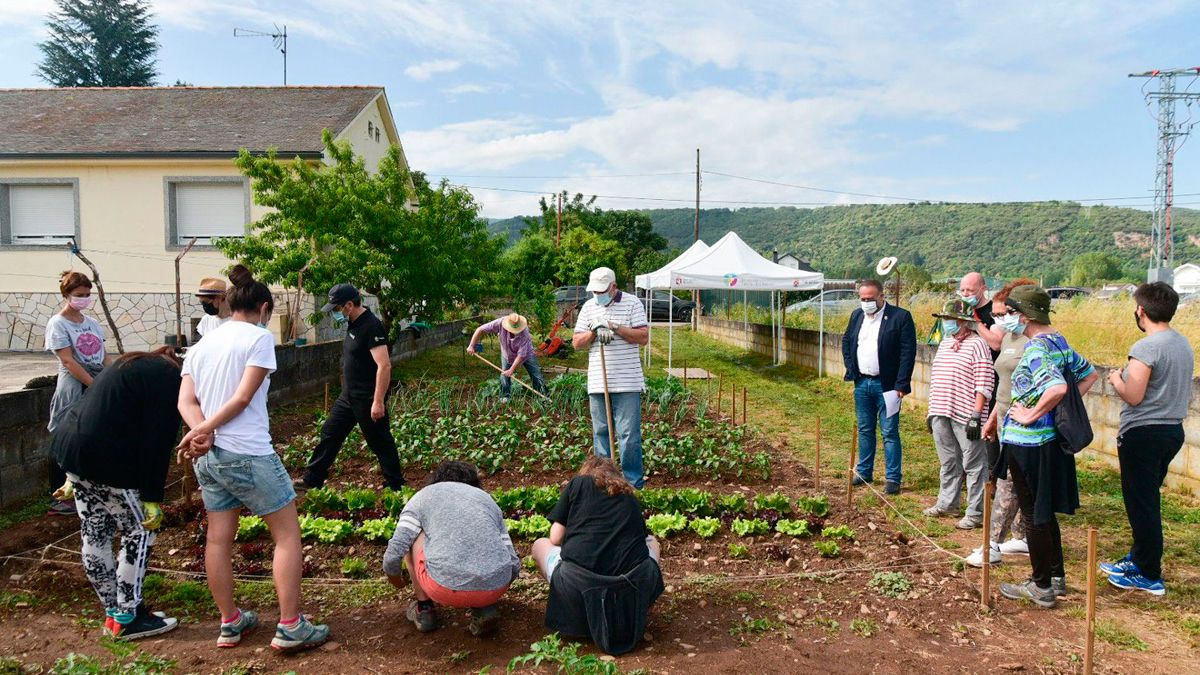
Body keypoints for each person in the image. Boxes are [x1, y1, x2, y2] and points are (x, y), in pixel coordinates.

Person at [177, 264, 330, 652]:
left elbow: (186, 400)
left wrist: (200, 431)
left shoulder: (201, 345)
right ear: (263, 308)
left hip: (209, 458)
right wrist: (205, 430)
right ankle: (291, 626)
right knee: (287, 534)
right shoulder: (258, 339)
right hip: (248, 452)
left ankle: (230, 622)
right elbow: (243, 397)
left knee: (217, 541)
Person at [50, 347, 183, 640]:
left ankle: (114, 613)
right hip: (105, 459)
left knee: (95, 530)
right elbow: (156, 442)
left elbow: (94, 409)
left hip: (71, 448)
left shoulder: (132, 364)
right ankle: (129, 616)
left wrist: (75, 473)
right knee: (140, 531)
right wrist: (151, 497)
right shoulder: (171, 379)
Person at [997, 285, 1098, 609]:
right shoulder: (1059, 342)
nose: (1007, 319)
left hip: (1028, 444)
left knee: (1033, 515)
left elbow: (1056, 387)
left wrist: (1033, 412)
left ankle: (1040, 586)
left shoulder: (1036, 349)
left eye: (1010, 313)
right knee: (1043, 511)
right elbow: (1089, 374)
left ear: (1024, 316)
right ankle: (1056, 576)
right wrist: (1059, 412)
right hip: (1048, 443)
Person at [1101, 282, 1194, 596]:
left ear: (1141, 310)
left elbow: (1135, 395)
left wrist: (1116, 379)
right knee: (1146, 500)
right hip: (1171, 431)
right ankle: (1139, 559)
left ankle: (1149, 573)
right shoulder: (1182, 344)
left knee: (1142, 505)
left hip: (1142, 433)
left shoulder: (1147, 347)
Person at [531, 456, 663, 656]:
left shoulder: (578, 484)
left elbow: (555, 537)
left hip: (577, 585)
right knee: (652, 542)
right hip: (632, 584)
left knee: (540, 545)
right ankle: (633, 608)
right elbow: (640, 538)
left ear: (586, 472)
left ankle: (576, 613)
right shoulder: (629, 494)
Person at [383, 461, 520, 637]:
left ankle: (424, 610)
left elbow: (395, 550)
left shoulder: (422, 497)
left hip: (443, 587)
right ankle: (484, 607)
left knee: (414, 535)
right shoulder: (486, 500)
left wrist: (396, 580)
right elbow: (513, 560)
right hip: (497, 587)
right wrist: (495, 584)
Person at [295, 283, 405, 492]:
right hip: (348, 396)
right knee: (330, 433)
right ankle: (312, 479)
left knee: (380, 442)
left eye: (337, 308)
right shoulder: (354, 323)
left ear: (348, 305)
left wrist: (378, 401)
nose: (336, 312)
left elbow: (384, 365)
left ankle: (396, 486)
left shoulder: (371, 325)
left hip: (367, 397)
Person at [967, 279, 1035, 567]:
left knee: (1009, 483)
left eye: (1003, 314)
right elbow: (1004, 385)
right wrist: (994, 417)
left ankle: (992, 544)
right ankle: (1021, 537)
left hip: (1026, 428)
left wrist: (1033, 413)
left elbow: (1069, 383)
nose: (999, 320)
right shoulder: (1008, 339)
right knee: (1016, 484)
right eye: (996, 315)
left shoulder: (1037, 343)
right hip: (1005, 419)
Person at [572, 267, 650, 488]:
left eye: (602, 291)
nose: (598, 295)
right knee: (601, 433)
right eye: (594, 291)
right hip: (598, 381)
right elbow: (577, 342)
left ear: (613, 287)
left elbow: (643, 337)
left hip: (627, 381)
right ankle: (604, 483)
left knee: (629, 436)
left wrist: (614, 326)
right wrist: (595, 331)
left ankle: (633, 483)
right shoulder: (588, 307)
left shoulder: (633, 303)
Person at [842, 278, 917, 495]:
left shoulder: (900, 317)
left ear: (881, 296)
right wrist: (851, 367)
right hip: (862, 383)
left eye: (870, 299)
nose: (866, 302)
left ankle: (893, 477)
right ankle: (865, 470)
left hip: (888, 386)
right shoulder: (857, 316)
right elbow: (847, 342)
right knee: (865, 429)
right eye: (862, 299)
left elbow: (907, 353)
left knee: (889, 431)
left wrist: (901, 383)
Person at [924, 299, 994, 530]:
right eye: (944, 320)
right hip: (941, 410)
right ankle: (947, 503)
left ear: (963, 322)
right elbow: (937, 380)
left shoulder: (978, 345)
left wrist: (977, 415)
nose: (946, 324)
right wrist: (932, 413)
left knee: (974, 463)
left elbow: (984, 381)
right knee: (948, 461)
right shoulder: (945, 344)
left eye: (949, 320)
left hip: (966, 414)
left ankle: (975, 513)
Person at [45, 271, 111, 516]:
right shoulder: (58, 323)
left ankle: (88, 488)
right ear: (66, 295)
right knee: (65, 432)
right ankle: (60, 496)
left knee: (93, 434)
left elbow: (103, 355)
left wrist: (112, 376)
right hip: (74, 381)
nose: (84, 299)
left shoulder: (91, 323)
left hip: (95, 376)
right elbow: (69, 361)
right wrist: (94, 385)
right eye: (79, 295)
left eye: (87, 295)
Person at [466, 313, 548, 401]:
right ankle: (505, 396)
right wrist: (471, 345)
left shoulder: (525, 333)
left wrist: (512, 369)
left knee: (536, 374)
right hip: (507, 354)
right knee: (504, 375)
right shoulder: (500, 322)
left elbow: (521, 355)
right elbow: (480, 329)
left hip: (527, 354)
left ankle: (543, 395)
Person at [958, 272, 1002, 354]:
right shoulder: (960, 310)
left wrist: (975, 322)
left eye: (970, 290)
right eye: (962, 290)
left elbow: (997, 345)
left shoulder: (995, 310)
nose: (965, 294)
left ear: (983, 289)